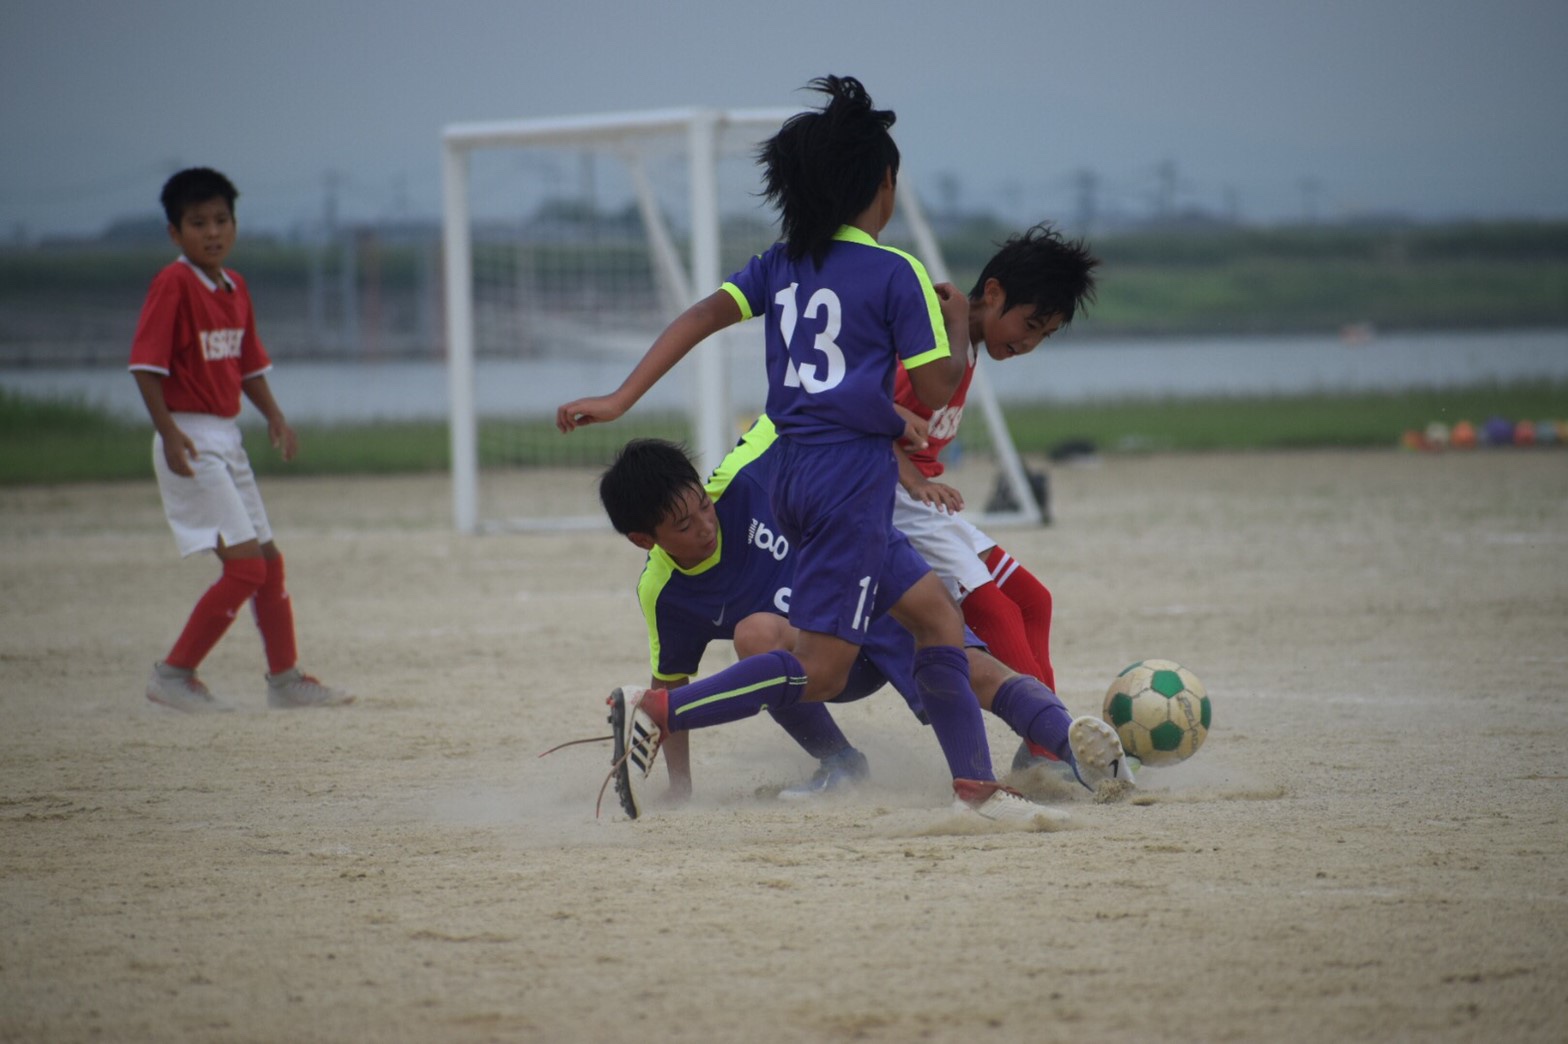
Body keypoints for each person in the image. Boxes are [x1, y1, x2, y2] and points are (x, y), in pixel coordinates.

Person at [558, 75, 1127, 822]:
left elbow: (701, 316)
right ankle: (663, 709)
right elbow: (933, 387)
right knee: (820, 671)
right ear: (882, 186)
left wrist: (622, 397)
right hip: (849, 483)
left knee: (937, 620)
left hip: (794, 471)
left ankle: (976, 788)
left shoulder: (779, 263)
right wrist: (954, 327)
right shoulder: (897, 275)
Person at [598, 429, 1131, 808]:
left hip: (879, 602)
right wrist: (681, 788)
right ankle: (840, 763)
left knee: (979, 674)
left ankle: (1085, 758)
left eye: (704, 507)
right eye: (684, 525)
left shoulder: (745, 473)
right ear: (645, 540)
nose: (705, 525)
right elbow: (668, 676)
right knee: (755, 634)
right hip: (824, 659)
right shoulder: (662, 592)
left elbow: (816, 406)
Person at [128, 167, 351, 713]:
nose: (212, 232)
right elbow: (145, 367)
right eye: (197, 222)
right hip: (190, 436)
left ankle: (285, 680)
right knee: (246, 567)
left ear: (235, 223)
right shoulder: (174, 283)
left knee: (268, 564)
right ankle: (174, 674)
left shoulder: (235, 286)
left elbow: (248, 365)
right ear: (174, 233)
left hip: (226, 436)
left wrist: (275, 416)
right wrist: (171, 433)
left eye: (221, 220)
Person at [889, 223, 1099, 773]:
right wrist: (912, 476)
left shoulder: (967, 340)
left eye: (1044, 335)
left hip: (925, 501)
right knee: (996, 609)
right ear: (995, 293)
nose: (1029, 342)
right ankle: (1054, 741)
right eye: (1030, 324)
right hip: (890, 496)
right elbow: (864, 416)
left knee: (1034, 600)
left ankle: (1043, 744)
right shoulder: (935, 338)